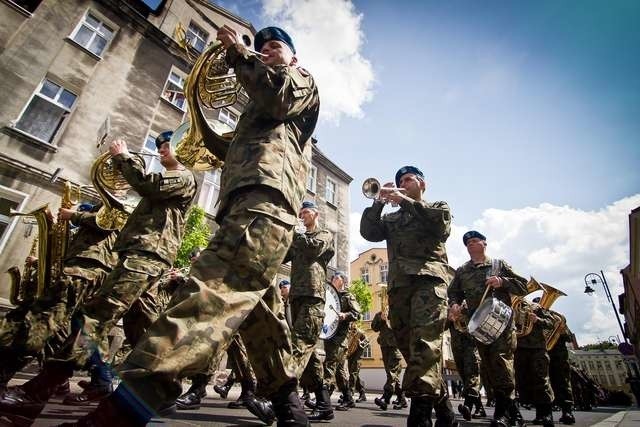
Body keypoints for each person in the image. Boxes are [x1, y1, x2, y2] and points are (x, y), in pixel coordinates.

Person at [45, 24, 320, 426]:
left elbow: (277, 97)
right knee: (258, 312)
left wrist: (239, 53)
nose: (264, 52)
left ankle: (126, 408)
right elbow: (232, 148)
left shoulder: (299, 80)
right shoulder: (255, 114)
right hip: (245, 206)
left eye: (274, 48)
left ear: (293, 57)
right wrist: (194, 110)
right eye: (260, 48)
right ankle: (288, 401)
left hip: (265, 203)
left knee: (207, 295)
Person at [0, 131, 197, 423]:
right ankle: (153, 391)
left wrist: (122, 156)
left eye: (169, 145)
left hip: (147, 256)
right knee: (124, 325)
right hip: (137, 254)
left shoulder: (184, 177)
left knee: (94, 319)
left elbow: (147, 183)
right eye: (161, 146)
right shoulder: (168, 184)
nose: (163, 150)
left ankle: (37, 394)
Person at [360, 165, 457, 426]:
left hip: (429, 282)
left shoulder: (437, 207)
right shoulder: (392, 219)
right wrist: (379, 202)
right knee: (410, 350)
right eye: (399, 181)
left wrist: (404, 199)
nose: (402, 183)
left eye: (408, 179)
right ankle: (446, 413)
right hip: (399, 287)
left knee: (425, 345)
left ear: (422, 184)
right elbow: (369, 232)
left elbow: (441, 228)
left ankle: (420, 416)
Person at [448, 230, 528, 427]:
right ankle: (514, 413)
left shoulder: (498, 265)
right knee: (490, 368)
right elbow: (454, 292)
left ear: (485, 243)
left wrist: (502, 282)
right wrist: (455, 304)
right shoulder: (462, 270)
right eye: (468, 243)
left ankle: (502, 414)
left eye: (475, 241)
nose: (471, 245)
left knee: (502, 363)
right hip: (479, 326)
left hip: (502, 324)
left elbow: (524, 286)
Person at [283, 200, 335, 421]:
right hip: (296, 296)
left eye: (306, 212)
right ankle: (324, 404)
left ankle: (284, 396)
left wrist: (295, 233)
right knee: (310, 354)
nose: (302, 216)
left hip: (313, 296)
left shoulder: (324, 234)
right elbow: (284, 256)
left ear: (315, 214)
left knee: (299, 345)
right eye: (301, 213)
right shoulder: (298, 238)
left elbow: (313, 249)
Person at [312, 272, 361, 413]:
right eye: (333, 278)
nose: (333, 279)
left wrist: (345, 315)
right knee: (339, 371)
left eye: (336, 278)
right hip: (329, 335)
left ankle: (323, 401)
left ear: (342, 281)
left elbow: (357, 313)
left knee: (329, 366)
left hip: (340, 338)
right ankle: (348, 398)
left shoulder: (348, 296)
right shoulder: (329, 296)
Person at [514, 298, 556, 427]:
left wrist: (537, 320)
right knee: (525, 381)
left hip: (536, 348)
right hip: (519, 349)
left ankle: (547, 414)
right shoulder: (512, 306)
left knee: (541, 380)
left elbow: (551, 323)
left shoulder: (536, 307)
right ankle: (539, 414)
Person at [448, 319, 484, 420]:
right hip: (456, 344)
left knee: (471, 374)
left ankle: (467, 406)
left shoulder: (472, 302)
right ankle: (479, 408)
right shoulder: (452, 302)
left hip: (471, 342)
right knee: (464, 376)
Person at [371, 309, 406, 411]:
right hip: (384, 346)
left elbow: (402, 328)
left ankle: (385, 398)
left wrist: (389, 320)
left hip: (395, 347)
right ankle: (402, 400)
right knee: (392, 375)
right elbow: (374, 328)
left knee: (392, 373)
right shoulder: (379, 314)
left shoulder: (398, 311)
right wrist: (381, 319)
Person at [548, 325, 576, 424]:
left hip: (559, 356)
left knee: (563, 382)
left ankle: (567, 411)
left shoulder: (557, 318)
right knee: (543, 383)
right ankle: (545, 413)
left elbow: (569, 338)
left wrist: (562, 331)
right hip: (541, 352)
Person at [346, 324, 369, 403]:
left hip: (357, 356)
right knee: (354, 374)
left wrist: (361, 344)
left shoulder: (360, 332)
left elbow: (367, 340)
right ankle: (362, 393)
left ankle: (350, 395)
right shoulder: (348, 332)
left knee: (353, 374)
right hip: (350, 355)